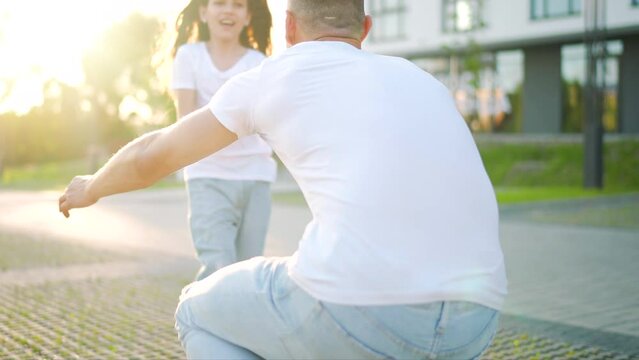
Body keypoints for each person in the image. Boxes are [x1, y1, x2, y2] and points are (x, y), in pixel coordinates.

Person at [59, 0, 508, 358]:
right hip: (477, 319)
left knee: (196, 310)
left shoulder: (272, 76)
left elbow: (151, 158)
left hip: (357, 308)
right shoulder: (424, 80)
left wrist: (92, 186)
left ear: (289, 29)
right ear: (365, 30)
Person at [169, 0, 276, 280]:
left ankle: (240, 325)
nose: (228, 10)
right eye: (219, 3)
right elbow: (185, 123)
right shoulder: (188, 56)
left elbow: (267, 124)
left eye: (238, 5)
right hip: (207, 175)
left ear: (248, 16)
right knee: (218, 269)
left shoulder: (260, 63)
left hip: (256, 177)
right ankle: (196, 324)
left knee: (249, 272)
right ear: (204, 13)